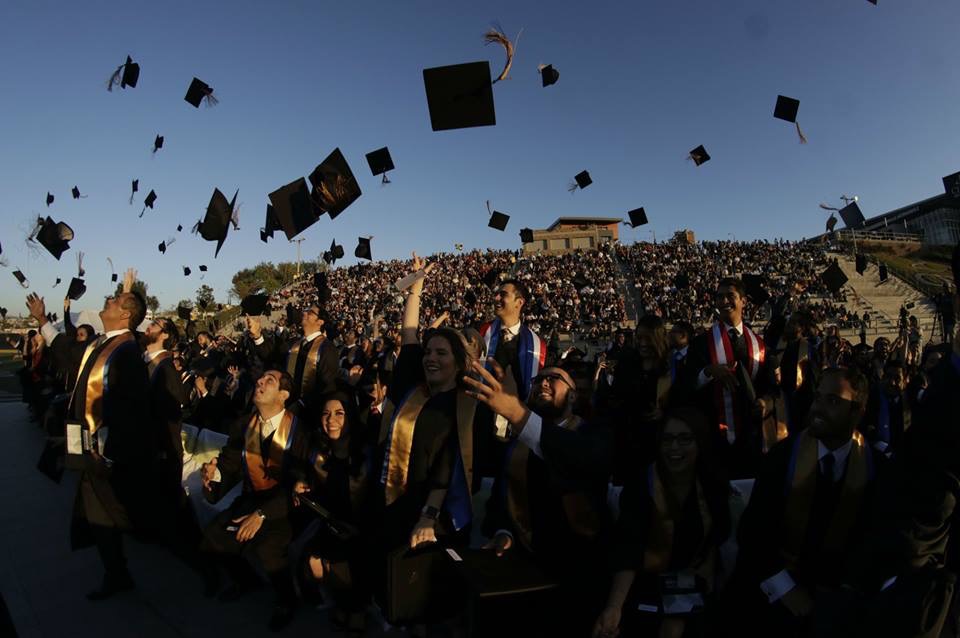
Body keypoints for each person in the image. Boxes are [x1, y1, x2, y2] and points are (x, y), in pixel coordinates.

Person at [727, 367, 882, 637]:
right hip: (776, 585)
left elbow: (874, 544)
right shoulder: (783, 458)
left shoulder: (877, 471)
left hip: (841, 597)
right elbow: (753, 533)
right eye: (818, 397)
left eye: (833, 401)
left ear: (858, 411)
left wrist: (846, 592)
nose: (818, 408)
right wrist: (787, 589)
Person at [28, 269, 154, 600]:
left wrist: (108, 454)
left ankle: (198, 557)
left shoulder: (128, 352)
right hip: (91, 449)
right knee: (98, 512)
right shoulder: (104, 343)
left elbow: (133, 413)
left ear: (126, 314)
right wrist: (43, 320)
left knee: (130, 516)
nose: (108, 299)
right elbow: (69, 355)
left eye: (115, 300)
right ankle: (117, 573)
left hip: (108, 455)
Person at [465, 361, 613, 636]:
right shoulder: (516, 445)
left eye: (554, 378)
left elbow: (574, 457)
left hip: (578, 575)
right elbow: (501, 497)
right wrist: (503, 531)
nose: (543, 382)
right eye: (538, 379)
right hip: (524, 571)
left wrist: (517, 413)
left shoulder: (594, 434)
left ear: (572, 395)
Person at [594, 407, 730, 638]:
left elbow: (717, 537)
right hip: (644, 582)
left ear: (700, 442)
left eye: (685, 439)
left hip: (693, 580)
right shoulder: (641, 485)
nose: (674, 447)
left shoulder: (712, 483)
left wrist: (684, 605)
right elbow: (629, 549)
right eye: (667, 439)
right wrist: (614, 606)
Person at [200, 369, 310, 631]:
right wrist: (213, 476)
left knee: (267, 548)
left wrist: (261, 515)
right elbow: (229, 464)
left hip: (286, 505)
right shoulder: (243, 425)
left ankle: (286, 600)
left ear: (283, 395)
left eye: (269, 381)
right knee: (214, 537)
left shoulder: (300, 430)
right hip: (252, 498)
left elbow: (300, 483)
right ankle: (246, 581)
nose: (259, 381)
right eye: (260, 378)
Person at [293, 393, 374, 635]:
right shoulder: (318, 453)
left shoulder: (368, 455)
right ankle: (342, 601)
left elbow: (376, 501)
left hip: (364, 527)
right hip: (329, 523)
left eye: (339, 413)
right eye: (326, 414)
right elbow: (306, 479)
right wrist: (300, 483)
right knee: (314, 561)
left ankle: (355, 608)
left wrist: (359, 527)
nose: (331, 419)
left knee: (351, 559)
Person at [676, 278, 772, 478]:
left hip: (751, 436)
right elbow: (686, 385)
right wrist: (708, 372)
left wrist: (765, 402)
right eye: (719, 297)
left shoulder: (759, 345)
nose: (724, 301)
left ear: (743, 301)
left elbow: (770, 387)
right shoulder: (701, 343)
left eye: (731, 296)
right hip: (713, 437)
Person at [247, 302, 339, 421]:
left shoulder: (327, 348)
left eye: (310, 312)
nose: (304, 312)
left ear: (320, 321)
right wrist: (257, 335)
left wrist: (300, 404)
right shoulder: (294, 343)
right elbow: (271, 356)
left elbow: (326, 385)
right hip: (284, 407)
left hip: (309, 415)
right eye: (305, 310)